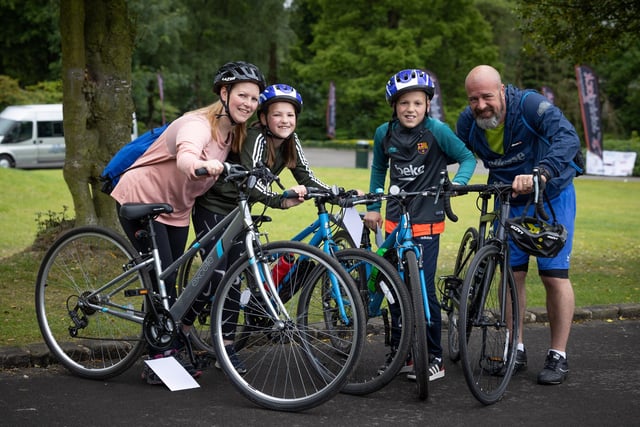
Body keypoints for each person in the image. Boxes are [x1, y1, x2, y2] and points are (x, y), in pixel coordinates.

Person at [109, 61, 266, 384]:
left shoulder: (233, 134)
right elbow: (186, 156)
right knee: (160, 284)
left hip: (177, 209)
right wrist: (200, 165)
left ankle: (168, 343)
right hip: (142, 199)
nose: (249, 104)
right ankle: (157, 358)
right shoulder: (196, 125)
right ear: (224, 93)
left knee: (172, 289)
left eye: (254, 98)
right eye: (243, 95)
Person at [188, 83, 332, 373]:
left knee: (235, 277)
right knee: (220, 277)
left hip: (241, 212)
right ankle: (184, 326)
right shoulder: (255, 136)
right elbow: (252, 181)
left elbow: (307, 175)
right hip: (215, 207)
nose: (285, 121)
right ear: (264, 117)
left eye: (290, 115)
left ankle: (224, 346)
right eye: (277, 114)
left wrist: (334, 191)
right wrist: (280, 200)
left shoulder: (291, 141)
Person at [456, 64, 579, 385]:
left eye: (486, 96)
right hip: (508, 199)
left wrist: (542, 171)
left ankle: (558, 354)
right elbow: (455, 152)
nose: (481, 105)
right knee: (512, 275)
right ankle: (516, 347)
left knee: (553, 275)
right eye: (473, 99)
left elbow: (567, 137)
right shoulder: (467, 122)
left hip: (550, 194)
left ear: (501, 90)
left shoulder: (529, 106)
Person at [363, 69, 476, 382]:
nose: (410, 109)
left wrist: (458, 183)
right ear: (394, 106)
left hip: (426, 222)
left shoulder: (437, 131)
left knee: (423, 292)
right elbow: (378, 171)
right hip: (393, 221)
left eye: (416, 102)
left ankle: (434, 356)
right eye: (403, 103)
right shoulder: (383, 133)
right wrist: (373, 206)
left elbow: (467, 158)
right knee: (393, 292)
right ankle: (401, 355)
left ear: (428, 105)